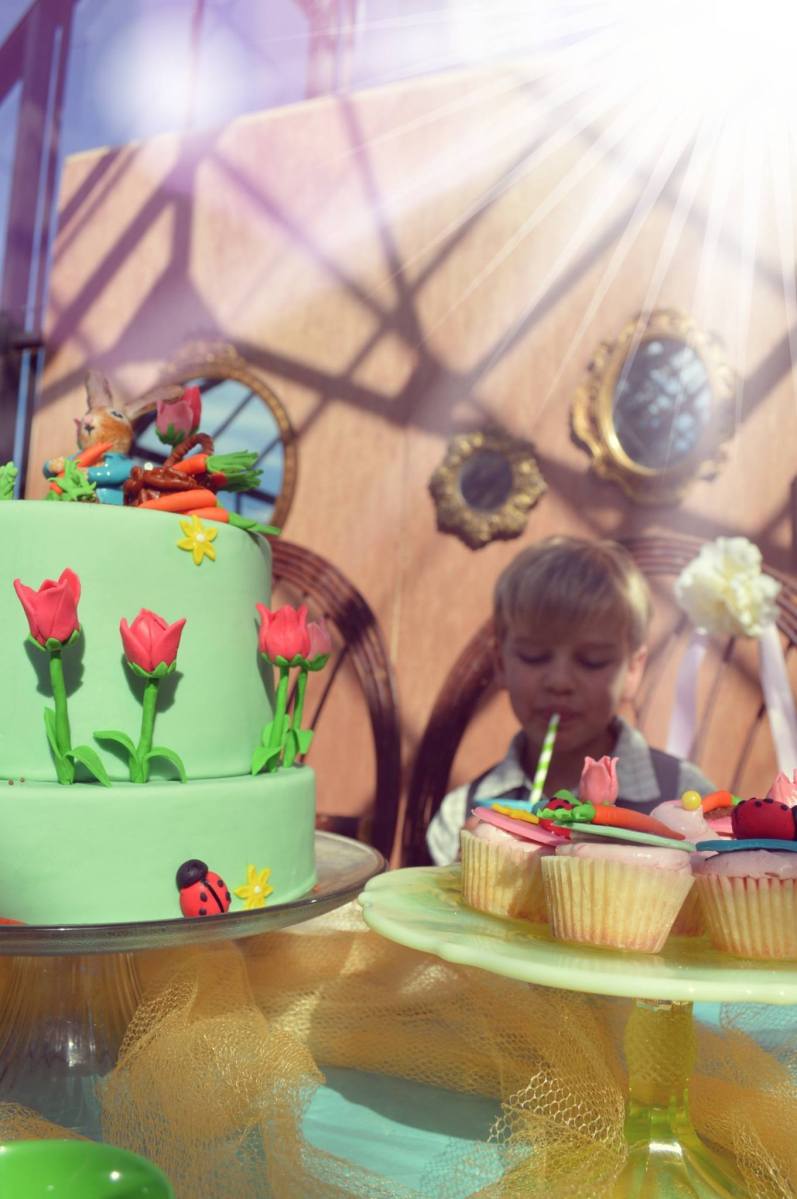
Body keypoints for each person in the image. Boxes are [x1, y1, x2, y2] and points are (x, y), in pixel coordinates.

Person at [426, 535, 715, 866]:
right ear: (501, 665)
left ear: (633, 670)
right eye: (533, 656)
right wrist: (460, 873)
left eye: (592, 661)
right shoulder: (460, 813)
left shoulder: (687, 798)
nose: (559, 682)